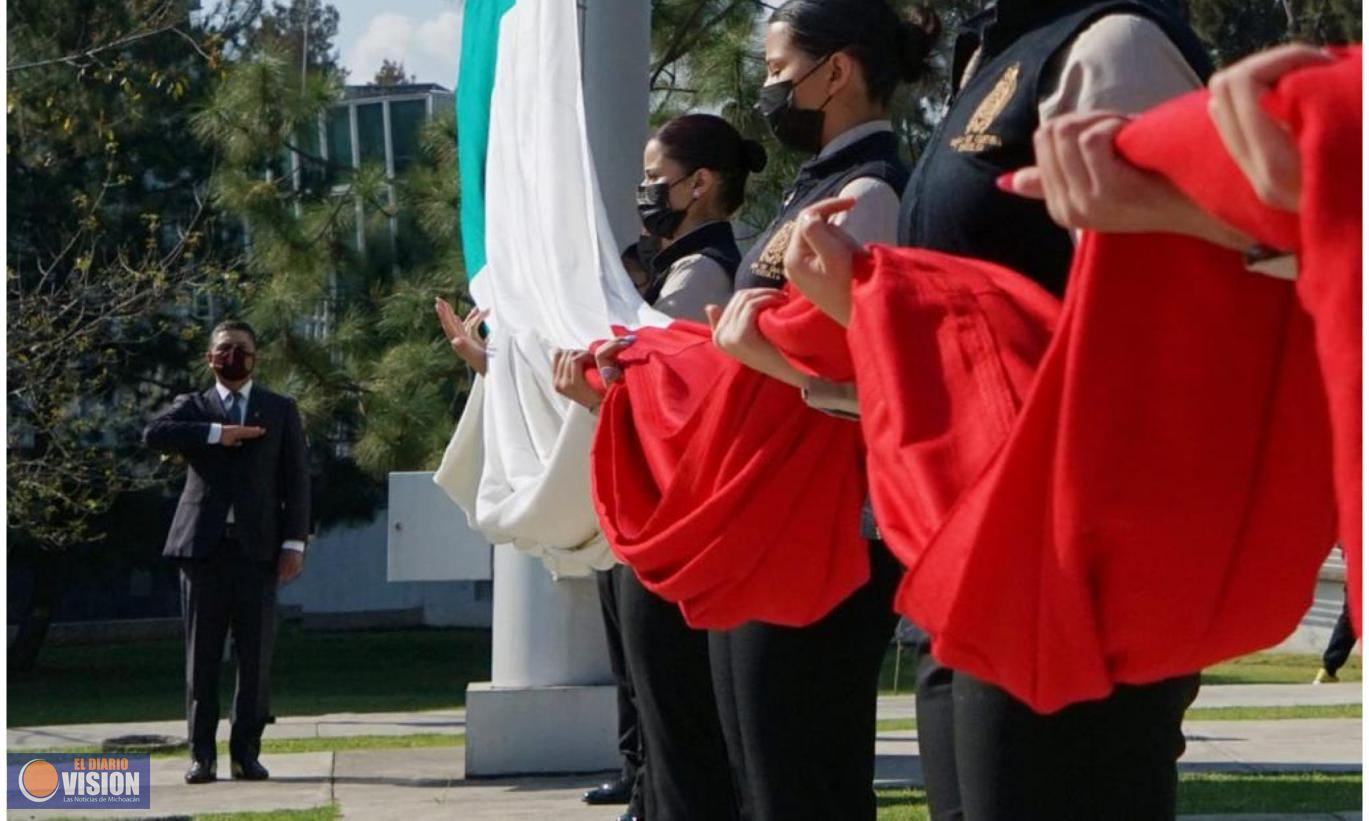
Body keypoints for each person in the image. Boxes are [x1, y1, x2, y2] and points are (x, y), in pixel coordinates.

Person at [782, 2, 1217, 819]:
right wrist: (861, 313)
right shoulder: (999, 55)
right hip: (975, 555)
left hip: (1068, 576)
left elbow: (1161, 330)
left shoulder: (1109, 44)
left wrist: (872, 304)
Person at [649, 3, 937, 819]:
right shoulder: (821, 190)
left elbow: (882, 370)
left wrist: (759, 352)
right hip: (771, 517)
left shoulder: (869, 194)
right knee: (761, 777)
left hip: (826, 526)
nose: (772, 90)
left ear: (835, 72)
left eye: (779, 71)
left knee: (801, 784)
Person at [554, 112, 766, 821]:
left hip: (676, 524)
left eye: (654, 180)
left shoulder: (697, 275)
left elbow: (668, 401)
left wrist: (595, 391)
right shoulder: (682, 267)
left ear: (698, 184)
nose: (644, 194)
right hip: (671, 523)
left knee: (680, 733)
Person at [144, 319, 311, 785]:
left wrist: (294, 543)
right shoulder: (193, 407)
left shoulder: (278, 409)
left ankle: (246, 754)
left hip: (258, 552)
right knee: (202, 659)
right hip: (203, 551)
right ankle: (202, 756)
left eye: (241, 348)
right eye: (223, 349)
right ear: (209, 358)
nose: (232, 356)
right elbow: (154, 433)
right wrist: (219, 434)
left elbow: (297, 482)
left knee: (255, 659)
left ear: (255, 357)